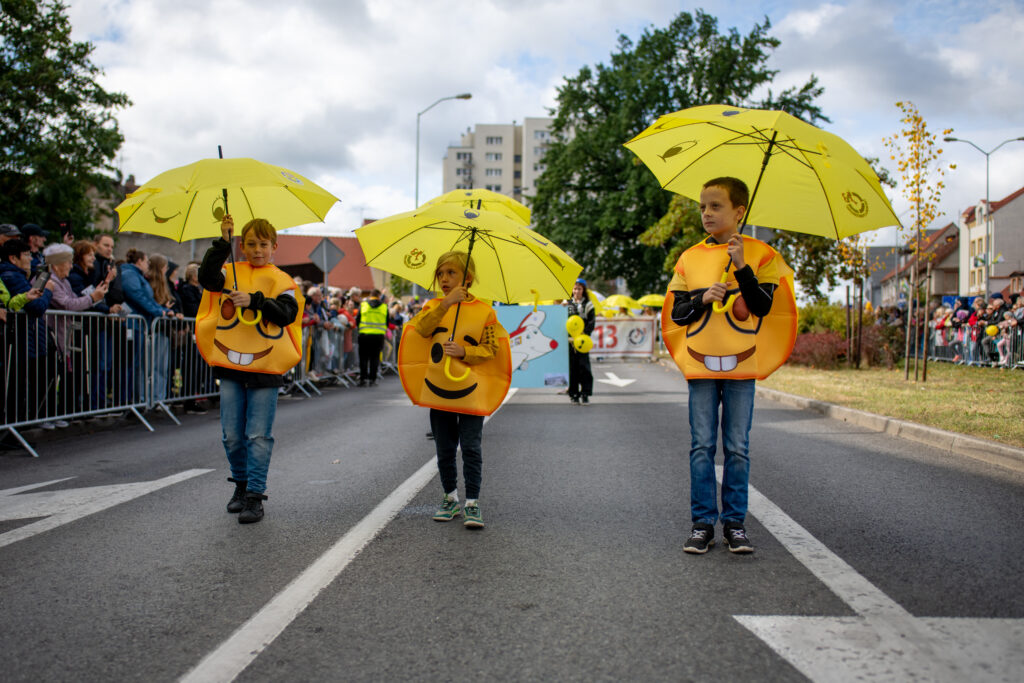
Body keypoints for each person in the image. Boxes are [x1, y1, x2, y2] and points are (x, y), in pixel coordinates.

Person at [666, 177, 794, 555]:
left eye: (715, 206)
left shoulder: (762, 255)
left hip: (741, 369)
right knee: (702, 446)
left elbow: (762, 306)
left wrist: (741, 267)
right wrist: (703, 297)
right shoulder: (689, 258)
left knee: (737, 447)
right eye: (703, 206)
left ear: (739, 212)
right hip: (701, 368)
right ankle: (702, 524)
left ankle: (735, 525)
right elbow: (677, 312)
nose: (706, 212)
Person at [197, 214, 303, 524]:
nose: (257, 250)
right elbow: (207, 278)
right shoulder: (229, 271)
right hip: (231, 365)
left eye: (264, 244)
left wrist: (254, 301)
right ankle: (240, 486)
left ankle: (255, 496)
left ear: (274, 246)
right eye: (251, 244)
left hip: (265, 369)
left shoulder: (282, 280)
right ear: (242, 246)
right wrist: (222, 241)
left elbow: (286, 313)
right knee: (231, 434)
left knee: (258, 434)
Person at [402, 251, 511, 529]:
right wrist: (446, 304)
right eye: (440, 274)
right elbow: (422, 330)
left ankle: (472, 503)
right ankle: (449, 498)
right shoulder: (434, 306)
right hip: (438, 390)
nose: (444, 279)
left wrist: (465, 351)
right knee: (445, 447)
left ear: (468, 278)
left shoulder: (485, 311)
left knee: (471, 447)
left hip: (471, 392)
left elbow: (491, 349)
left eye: (451, 273)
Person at [566, 278, 596, 405]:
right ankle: (573, 394)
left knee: (584, 367)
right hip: (570, 342)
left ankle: (585, 394)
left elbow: (592, 322)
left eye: (579, 289)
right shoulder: (567, 305)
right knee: (572, 369)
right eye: (574, 289)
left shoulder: (588, 305)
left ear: (583, 290)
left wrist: (585, 332)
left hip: (583, 342)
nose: (576, 291)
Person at [356, 288, 389, 386]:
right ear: (379, 296)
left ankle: (363, 379)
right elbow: (387, 322)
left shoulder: (363, 305)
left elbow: (358, 319)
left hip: (364, 335)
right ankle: (372, 379)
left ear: (370, 295)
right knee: (375, 358)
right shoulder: (384, 307)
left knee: (363, 358)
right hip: (378, 336)